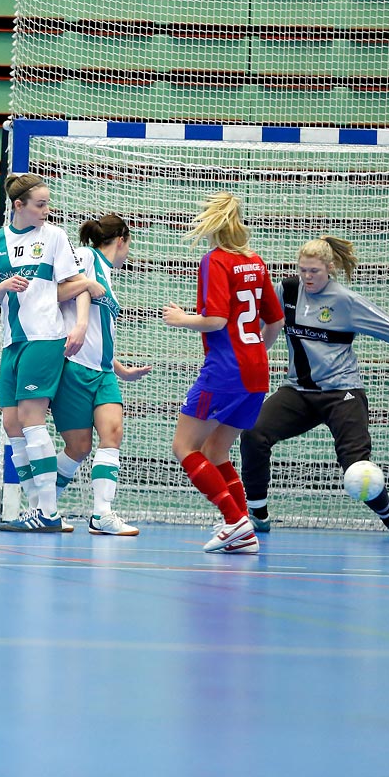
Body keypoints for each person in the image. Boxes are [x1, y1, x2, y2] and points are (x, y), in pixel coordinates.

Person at [239, 235, 389, 538]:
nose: (308, 277)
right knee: (253, 432)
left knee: (356, 466)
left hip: (342, 394)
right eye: (303, 270)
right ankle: (258, 514)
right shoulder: (287, 291)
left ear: (330, 268)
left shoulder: (346, 302)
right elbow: (258, 326)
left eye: (314, 271)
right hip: (298, 391)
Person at [163, 191, 284, 555]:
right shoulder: (256, 262)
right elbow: (275, 321)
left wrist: (182, 318)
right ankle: (243, 529)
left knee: (184, 446)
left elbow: (215, 320)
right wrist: (255, 353)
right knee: (216, 450)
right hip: (256, 369)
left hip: (225, 370)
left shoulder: (215, 261)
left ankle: (234, 520)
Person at [0, 173, 105, 534]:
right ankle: (36, 507)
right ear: (18, 205)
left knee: (31, 417)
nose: (47, 210)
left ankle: (48, 511)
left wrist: (85, 292)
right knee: (11, 424)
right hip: (12, 340)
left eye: (48, 202)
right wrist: (4, 285)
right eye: (40, 204)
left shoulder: (53, 236)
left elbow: (72, 283)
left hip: (44, 337)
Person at [52, 213, 152, 536]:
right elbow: (61, 291)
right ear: (121, 240)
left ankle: (102, 515)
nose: (128, 252)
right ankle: (44, 506)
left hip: (104, 372)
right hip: (74, 368)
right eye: (129, 245)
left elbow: (100, 332)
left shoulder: (108, 277)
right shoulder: (85, 257)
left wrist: (120, 368)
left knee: (113, 433)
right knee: (78, 448)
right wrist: (79, 324)